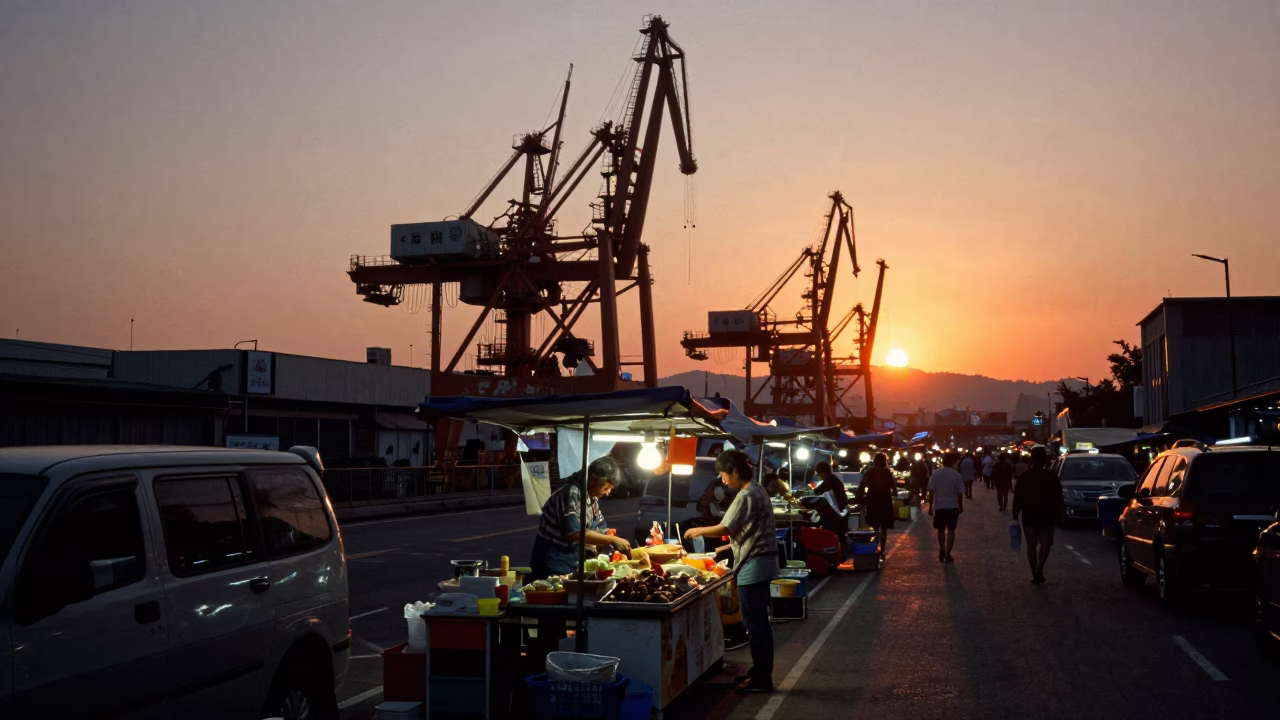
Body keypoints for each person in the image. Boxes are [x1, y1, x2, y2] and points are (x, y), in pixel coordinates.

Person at [685, 450, 777, 694]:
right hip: (761, 562)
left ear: (735, 472)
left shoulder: (747, 494)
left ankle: (761, 679)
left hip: (754, 565)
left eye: (724, 474)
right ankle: (760, 672)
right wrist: (729, 545)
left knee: (755, 625)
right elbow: (748, 530)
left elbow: (726, 526)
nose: (723, 480)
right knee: (760, 624)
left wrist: (699, 531)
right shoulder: (758, 490)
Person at [529, 457, 631, 580]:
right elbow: (575, 534)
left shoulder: (591, 500)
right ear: (593, 479)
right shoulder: (571, 493)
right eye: (605, 488)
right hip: (553, 564)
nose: (607, 493)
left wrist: (606, 541)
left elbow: (600, 530)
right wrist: (613, 540)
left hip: (572, 562)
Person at [1012, 446, 1064, 584]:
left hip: (1029, 516)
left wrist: (1015, 515)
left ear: (1032, 458)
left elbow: (1017, 498)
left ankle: (1035, 570)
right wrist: (1060, 514)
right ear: (1044, 458)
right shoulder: (1051, 476)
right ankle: (1039, 569)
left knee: (1031, 546)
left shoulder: (1024, 477)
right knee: (1045, 545)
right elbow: (1059, 498)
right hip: (1047, 517)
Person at [926, 454, 966, 563]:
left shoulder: (936, 474)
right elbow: (960, 493)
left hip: (940, 507)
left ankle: (942, 549)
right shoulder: (957, 475)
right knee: (951, 530)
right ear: (953, 462)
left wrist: (930, 507)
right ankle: (948, 553)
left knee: (941, 530)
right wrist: (960, 506)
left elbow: (931, 491)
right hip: (953, 507)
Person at [856, 453, 896, 560]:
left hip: (873, 500)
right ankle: (882, 549)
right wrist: (893, 494)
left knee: (874, 526)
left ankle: (875, 546)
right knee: (884, 527)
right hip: (885, 501)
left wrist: (859, 497)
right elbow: (894, 487)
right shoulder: (887, 472)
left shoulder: (870, 472)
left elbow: (862, 485)